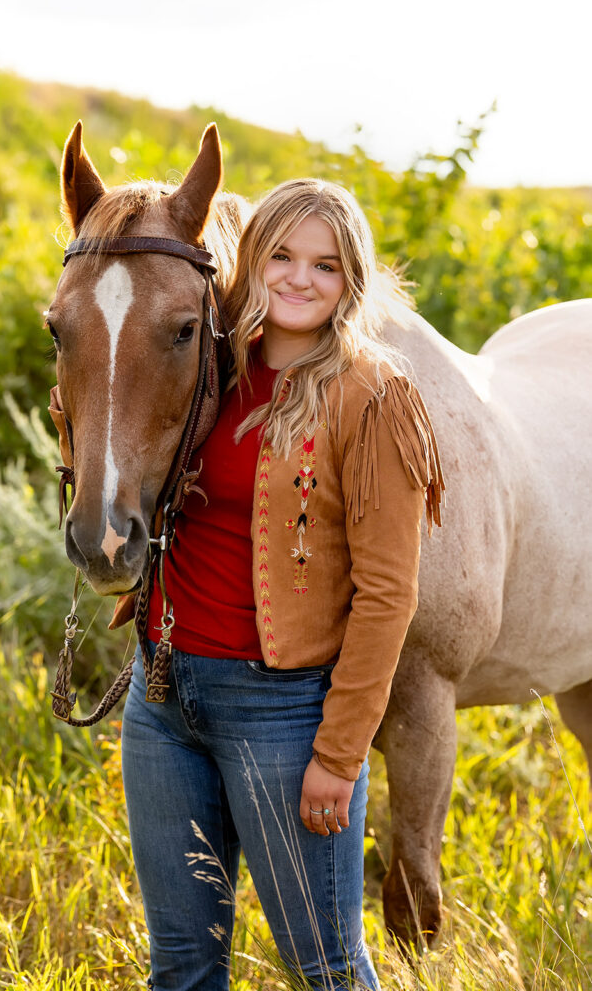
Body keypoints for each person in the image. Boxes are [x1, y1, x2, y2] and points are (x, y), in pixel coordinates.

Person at [120, 178, 444, 990]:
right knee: (182, 966)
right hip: (160, 700)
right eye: (281, 255)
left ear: (351, 281)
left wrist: (338, 755)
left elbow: (386, 594)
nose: (299, 279)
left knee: (325, 967)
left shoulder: (373, 395)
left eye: (325, 265)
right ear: (248, 262)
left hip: (283, 712)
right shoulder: (208, 366)